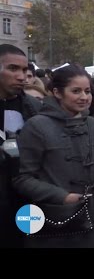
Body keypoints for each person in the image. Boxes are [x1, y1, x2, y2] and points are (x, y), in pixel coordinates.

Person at [13, 65, 94, 247]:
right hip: (53, 220)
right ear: (57, 93)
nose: (84, 97)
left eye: (87, 91)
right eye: (76, 91)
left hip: (92, 217)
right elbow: (22, 178)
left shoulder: (92, 124)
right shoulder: (37, 126)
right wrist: (62, 197)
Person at [0, 44, 42, 247]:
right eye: (13, 68)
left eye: (25, 70)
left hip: (25, 200)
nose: (21, 76)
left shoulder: (34, 108)